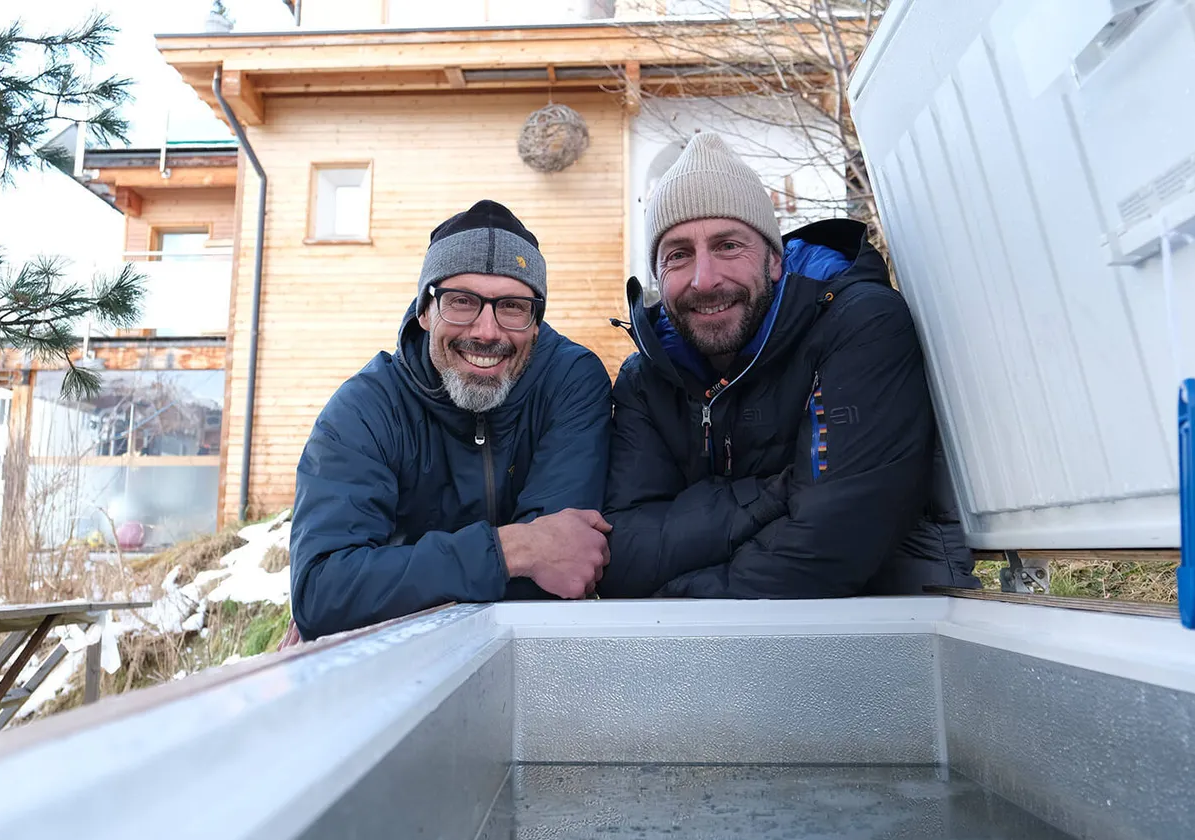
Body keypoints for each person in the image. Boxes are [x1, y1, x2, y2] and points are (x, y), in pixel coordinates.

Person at [601, 134, 978, 598]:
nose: (704, 279)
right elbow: (622, 555)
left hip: (893, 622)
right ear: (658, 274)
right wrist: (771, 496)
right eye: (678, 254)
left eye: (728, 246)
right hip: (707, 641)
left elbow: (832, 542)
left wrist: (678, 596)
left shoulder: (858, 324)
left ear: (775, 261)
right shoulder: (644, 379)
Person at [289, 200, 613, 640]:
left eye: (513, 306)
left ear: (536, 321)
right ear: (425, 311)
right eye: (461, 302)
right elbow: (322, 592)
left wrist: (385, 578)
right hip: (403, 663)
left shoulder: (570, 383)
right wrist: (513, 549)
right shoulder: (366, 409)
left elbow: (559, 571)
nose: (486, 331)